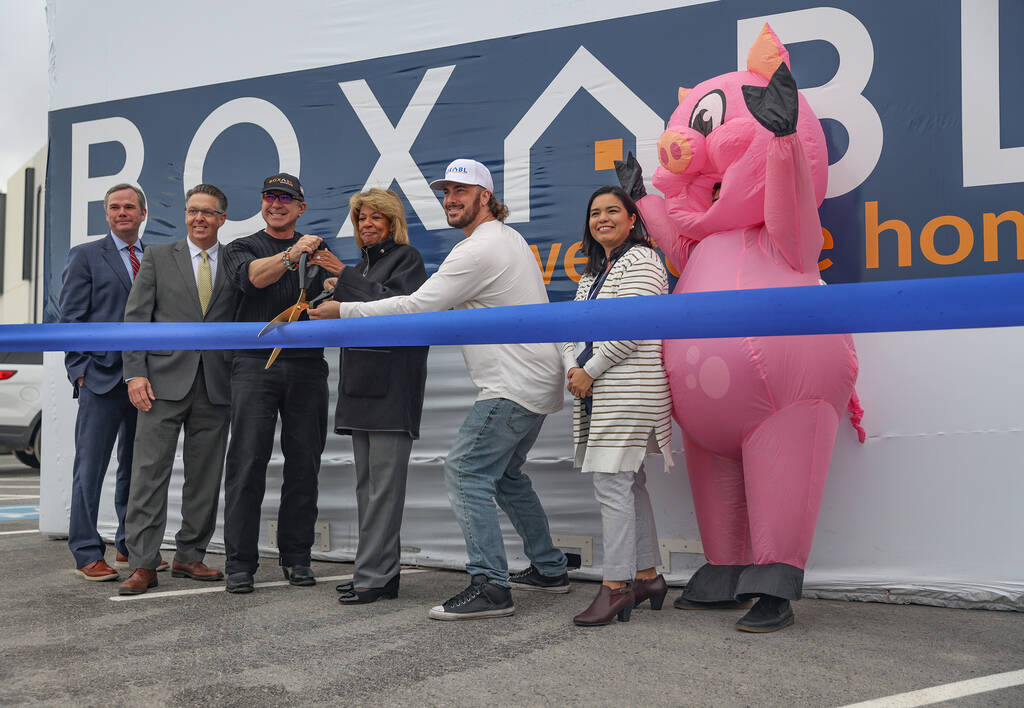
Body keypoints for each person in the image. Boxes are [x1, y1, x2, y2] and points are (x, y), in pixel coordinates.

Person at [310, 159, 568, 620]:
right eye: (446, 191)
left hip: (512, 383)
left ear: (485, 197)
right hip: (535, 378)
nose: (450, 199)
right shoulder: (507, 239)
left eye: (461, 191)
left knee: (465, 471)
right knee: (506, 478)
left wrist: (342, 310)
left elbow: (417, 308)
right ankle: (549, 567)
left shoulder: (477, 250)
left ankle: (490, 584)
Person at [117, 184, 237, 595]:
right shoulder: (156, 257)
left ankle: (189, 556)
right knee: (148, 476)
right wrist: (135, 374)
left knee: (204, 478)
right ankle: (144, 563)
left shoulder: (235, 261)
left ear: (222, 218)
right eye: (192, 211)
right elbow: (135, 319)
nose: (198, 218)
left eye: (207, 212)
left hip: (215, 385)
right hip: (160, 383)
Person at [313, 188, 429, 605]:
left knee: (383, 489)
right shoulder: (363, 265)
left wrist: (342, 276)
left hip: (391, 390)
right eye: (361, 218)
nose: (366, 224)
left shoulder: (407, 259)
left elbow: (397, 306)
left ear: (392, 221)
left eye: (375, 217)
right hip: (359, 388)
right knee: (368, 487)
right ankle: (381, 571)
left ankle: (373, 575)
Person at [562, 186, 672, 626]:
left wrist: (591, 369)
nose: (602, 218)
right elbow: (569, 328)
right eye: (594, 213)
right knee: (629, 483)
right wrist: (574, 367)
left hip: (631, 389)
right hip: (596, 390)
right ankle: (647, 576)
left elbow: (636, 325)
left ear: (632, 220)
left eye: (613, 211)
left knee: (612, 483)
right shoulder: (591, 275)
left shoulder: (644, 260)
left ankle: (616, 586)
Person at [220, 172, 329, 594]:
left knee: (305, 464)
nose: (276, 203)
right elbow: (251, 279)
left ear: (301, 207)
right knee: (247, 465)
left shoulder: (319, 249)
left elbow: (330, 299)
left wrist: (335, 283)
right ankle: (240, 564)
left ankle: (297, 557)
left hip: (306, 366)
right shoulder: (241, 247)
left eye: (286, 198)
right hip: (254, 366)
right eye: (270, 197)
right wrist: (292, 255)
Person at [60, 183, 157, 580]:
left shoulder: (154, 258)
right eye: (114, 207)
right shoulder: (85, 256)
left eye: (129, 207)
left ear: (142, 213)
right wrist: (79, 371)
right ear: (106, 214)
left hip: (144, 382)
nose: (122, 213)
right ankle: (86, 552)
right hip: (99, 379)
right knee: (90, 469)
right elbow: (71, 319)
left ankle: (128, 545)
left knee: (135, 469)